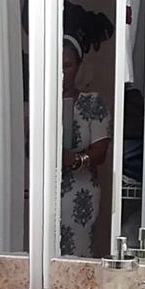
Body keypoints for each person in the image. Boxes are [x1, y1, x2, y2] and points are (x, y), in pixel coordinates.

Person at [59, 34, 111, 256]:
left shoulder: (92, 102)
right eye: (56, 65)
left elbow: (101, 151)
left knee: (77, 252)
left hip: (80, 193)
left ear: (78, 66)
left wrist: (76, 160)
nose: (62, 72)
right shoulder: (39, 104)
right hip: (45, 190)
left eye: (67, 65)